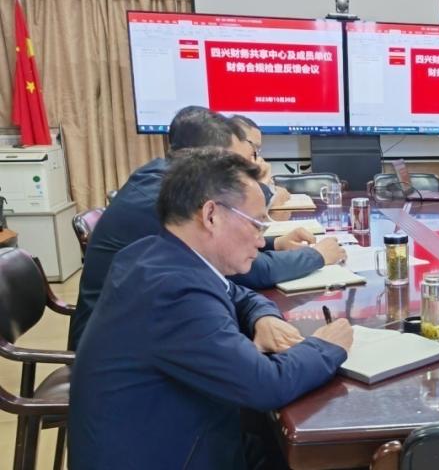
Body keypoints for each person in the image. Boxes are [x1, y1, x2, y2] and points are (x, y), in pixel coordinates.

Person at [69, 148, 354, 470]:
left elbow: (239, 294)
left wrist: (262, 317)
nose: (262, 241)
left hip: (183, 435)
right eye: (257, 225)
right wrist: (326, 346)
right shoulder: (174, 292)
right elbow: (265, 384)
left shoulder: (154, 254)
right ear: (211, 216)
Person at [68, 106, 344, 349]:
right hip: (125, 346)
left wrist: (274, 245)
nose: (237, 175)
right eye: (231, 164)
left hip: (149, 326)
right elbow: (250, 273)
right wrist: (317, 256)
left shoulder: (164, 179)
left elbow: (229, 283)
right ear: (208, 159)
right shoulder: (165, 200)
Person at [229, 115, 291, 208]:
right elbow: (247, 209)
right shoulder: (221, 172)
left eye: (258, 149)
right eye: (254, 146)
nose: (255, 154)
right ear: (234, 140)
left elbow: (282, 194)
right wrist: (262, 184)